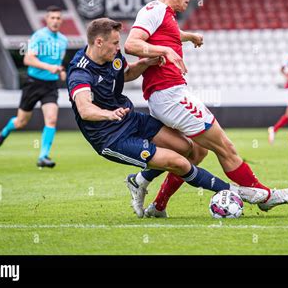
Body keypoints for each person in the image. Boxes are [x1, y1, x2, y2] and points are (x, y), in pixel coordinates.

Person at [124, 0, 288, 218]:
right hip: (171, 95)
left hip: (166, 95)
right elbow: (131, 44)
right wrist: (165, 51)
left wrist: (188, 36)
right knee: (224, 146)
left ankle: (155, 202)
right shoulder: (153, 9)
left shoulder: (165, 15)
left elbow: (166, 34)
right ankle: (264, 196)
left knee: (196, 151)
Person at [67, 17, 269, 217]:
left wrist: (146, 62)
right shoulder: (80, 72)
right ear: (98, 42)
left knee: (187, 149)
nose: (118, 47)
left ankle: (137, 181)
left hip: (129, 119)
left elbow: (126, 74)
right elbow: (85, 109)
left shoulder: (113, 55)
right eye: (114, 43)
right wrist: (108, 114)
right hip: (110, 137)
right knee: (179, 163)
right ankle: (238, 192)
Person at [0, 5, 68, 168]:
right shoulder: (39, 36)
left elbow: (58, 63)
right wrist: (50, 68)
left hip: (50, 86)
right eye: (52, 18)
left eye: (58, 18)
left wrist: (61, 71)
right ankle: (5, 131)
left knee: (51, 119)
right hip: (33, 84)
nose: (55, 21)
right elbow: (28, 59)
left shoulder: (63, 40)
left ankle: (43, 156)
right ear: (47, 20)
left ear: (61, 20)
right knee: (21, 122)